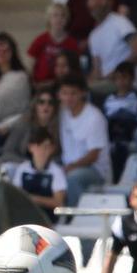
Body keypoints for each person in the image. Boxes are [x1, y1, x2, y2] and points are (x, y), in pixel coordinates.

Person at [57, 75, 111, 206]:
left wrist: (71, 167)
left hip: (95, 170)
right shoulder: (62, 112)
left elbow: (93, 155)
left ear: (83, 93)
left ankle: (72, 216)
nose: (68, 98)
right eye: (65, 93)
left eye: (73, 93)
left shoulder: (94, 117)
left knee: (73, 178)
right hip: (67, 165)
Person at [86, 0, 137, 84]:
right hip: (104, 85)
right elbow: (97, 70)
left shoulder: (120, 22)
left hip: (124, 84)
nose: (95, 3)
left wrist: (115, 73)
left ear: (110, 2)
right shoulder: (93, 36)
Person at [102, 62, 137, 180]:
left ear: (132, 79)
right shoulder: (108, 99)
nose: (121, 82)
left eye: (124, 78)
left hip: (130, 131)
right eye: (118, 78)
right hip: (112, 132)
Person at [8, 126, 66, 222]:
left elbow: (58, 203)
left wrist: (33, 199)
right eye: (38, 146)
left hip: (49, 222)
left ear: (52, 149)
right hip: (24, 219)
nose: (43, 150)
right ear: (30, 147)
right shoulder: (22, 169)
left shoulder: (56, 172)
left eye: (47, 146)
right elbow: (15, 196)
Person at [0, 89, 59, 168]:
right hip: (20, 163)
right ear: (35, 105)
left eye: (50, 103)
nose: (46, 106)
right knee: (7, 167)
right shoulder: (23, 124)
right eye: (41, 102)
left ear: (55, 107)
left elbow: (60, 155)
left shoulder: (59, 127)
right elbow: (8, 151)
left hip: (49, 167)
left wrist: (44, 164)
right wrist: (28, 164)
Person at [28, 2, 79, 84]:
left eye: (63, 16)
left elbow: (75, 67)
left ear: (67, 19)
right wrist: (32, 83)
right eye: (55, 15)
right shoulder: (40, 39)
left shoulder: (72, 43)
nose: (59, 19)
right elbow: (30, 64)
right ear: (49, 19)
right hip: (41, 84)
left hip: (63, 85)